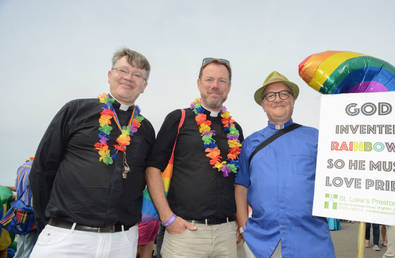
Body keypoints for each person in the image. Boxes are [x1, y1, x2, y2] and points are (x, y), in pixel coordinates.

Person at [29, 48, 156, 258]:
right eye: (123, 70)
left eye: (137, 75)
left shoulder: (146, 129)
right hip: (66, 237)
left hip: (122, 241)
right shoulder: (75, 110)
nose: (128, 78)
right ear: (110, 75)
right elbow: (42, 169)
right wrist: (49, 224)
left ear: (144, 85)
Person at [145, 58, 244, 258]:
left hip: (226, 234)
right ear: (199, 83)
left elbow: (237, 181)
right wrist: (167, 218)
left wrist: (238, 222)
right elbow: (152, 168)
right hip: (185, 232)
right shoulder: (178, 118)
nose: (215, 85)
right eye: (209, 79)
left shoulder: (235, 129)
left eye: (221, 81)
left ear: (229, 87)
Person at [234, 71, 335, 258]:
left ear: (293, 100)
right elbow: (241, 187)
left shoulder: (315, 137)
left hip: (311, 239)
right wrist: (243, 227)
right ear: (263, 104)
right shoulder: (250, 143)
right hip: (262, 242)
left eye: (283, 94)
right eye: (271, 95)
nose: (277, 99)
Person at [13, 157, 38, 258]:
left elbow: (19, 188)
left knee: (21, 245)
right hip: (31, 212)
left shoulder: (21, 168)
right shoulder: (36, 169)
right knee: (29, 247)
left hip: (20, 211)